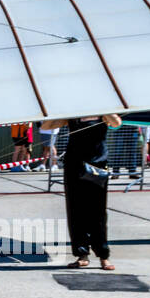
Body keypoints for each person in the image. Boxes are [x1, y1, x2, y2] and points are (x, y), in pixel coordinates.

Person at [45, 114, 122, 270]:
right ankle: (82, 254)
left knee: (98, 211)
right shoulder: (72, 115)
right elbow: (46, 126)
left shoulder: (103, 114)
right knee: (75, 209)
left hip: (98, 164)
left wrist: (104, 109)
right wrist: (58, 111)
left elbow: (117, 123)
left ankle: (103, 256)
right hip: (75, 164)